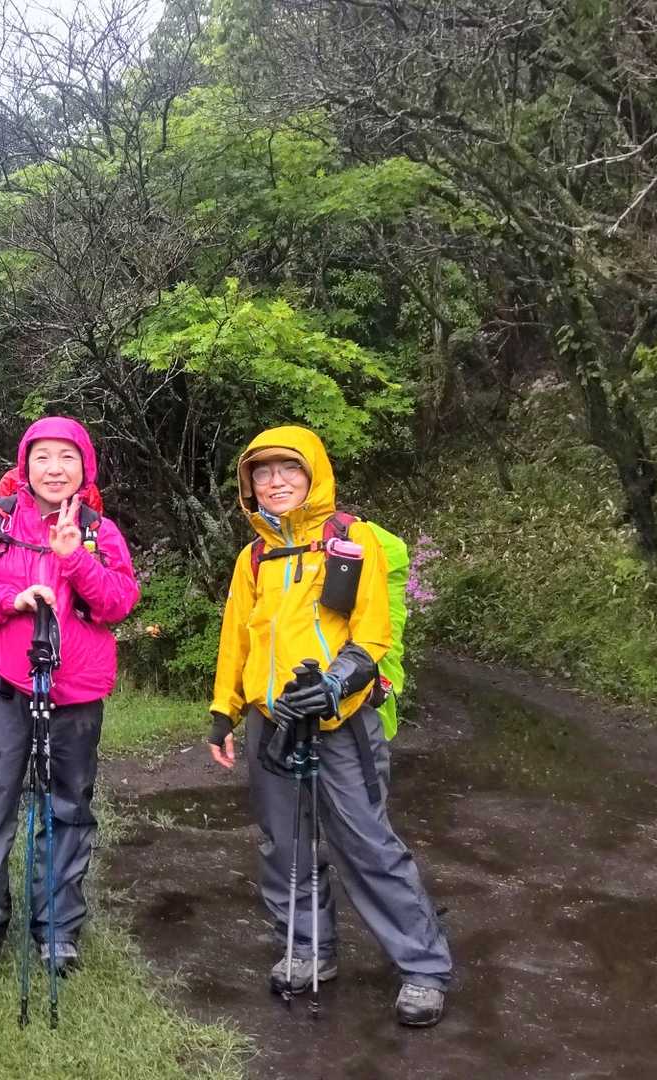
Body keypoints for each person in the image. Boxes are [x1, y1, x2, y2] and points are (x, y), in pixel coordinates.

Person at [205, 425, 453, 1027]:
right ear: (250, 486)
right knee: (284, 842)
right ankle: (307, 949)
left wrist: (336, 683)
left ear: (312, 474)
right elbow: (237, 637)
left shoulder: (351, 539)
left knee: (365, 841)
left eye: (288, 469)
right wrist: (224, 712)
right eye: (263, 473)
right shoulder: (253, 557)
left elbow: (372, 633)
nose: (276, 482)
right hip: (272, 720)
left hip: (341, 721)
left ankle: (423, 968)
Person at [0, 416, 140, 986]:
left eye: (67, 457)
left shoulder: (100, 531)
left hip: (76, 690)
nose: (55, 469)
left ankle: (57, 929)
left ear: (85, 466)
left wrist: (75, 558)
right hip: (0, 683)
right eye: (43, 457)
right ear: (25, 464)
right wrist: (12, 598)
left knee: (67, 809)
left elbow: (119, 602)